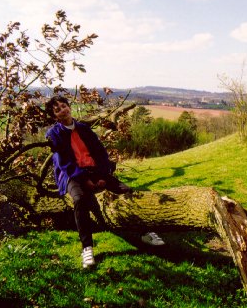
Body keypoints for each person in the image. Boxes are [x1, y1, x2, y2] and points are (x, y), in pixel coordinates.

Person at [45, 95, 165, 268]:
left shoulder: (84, 129)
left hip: (95, 171)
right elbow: (64, 162)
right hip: (72, 175)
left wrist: (102, 176)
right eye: (57, 110)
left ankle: (145, 232)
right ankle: (87, 248)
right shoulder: (53, 134)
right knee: (80, 200)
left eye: (64, 106)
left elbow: (101, 154)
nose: (62, 110)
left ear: (69, 107)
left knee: (127, 191)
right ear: (54, 116)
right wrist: (85, 180)